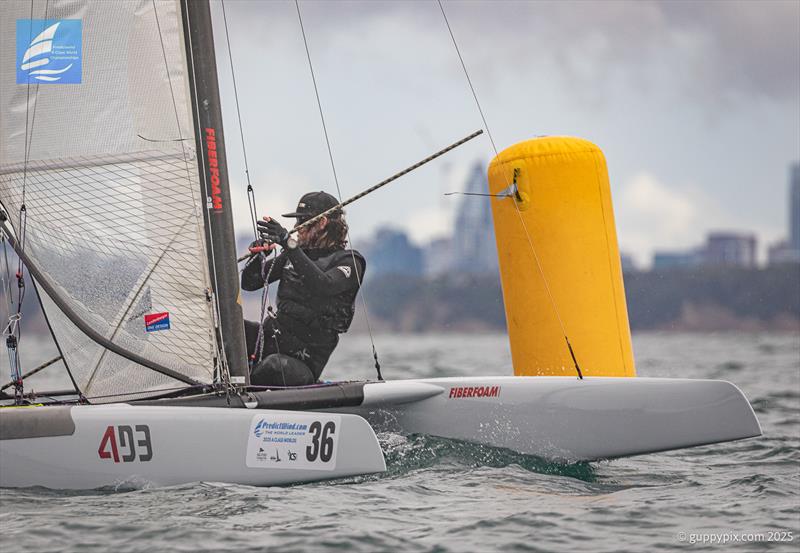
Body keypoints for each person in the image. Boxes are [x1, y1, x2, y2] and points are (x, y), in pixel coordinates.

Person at [241, 191, 366, 387]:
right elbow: (249, 284)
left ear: (322, 222)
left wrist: (289, 244)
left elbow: (324, 285)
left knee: (274, 367)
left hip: (303, 360)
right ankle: (219, 388)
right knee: (228, 330)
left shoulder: (350, 261)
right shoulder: (295, 254)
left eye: (302, 222)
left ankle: (244, 388)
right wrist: (258, 257)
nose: (296, 228)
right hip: (272, 339)